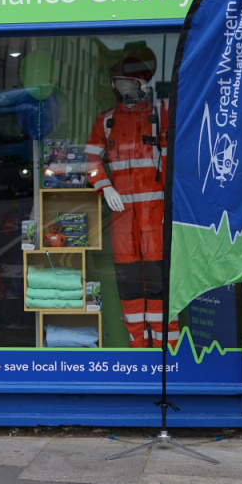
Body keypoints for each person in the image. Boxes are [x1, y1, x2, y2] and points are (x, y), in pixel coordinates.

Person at [84, 47, 177, 348]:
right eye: (115, 81)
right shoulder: (106, 120)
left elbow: (179, 159)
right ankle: (139, 349)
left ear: (137, 83)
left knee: (160, 285)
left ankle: (167, 352)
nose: (115, 86)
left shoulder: (161, 115)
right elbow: (90, 161)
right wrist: (104, 186)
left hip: (157, 215)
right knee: (129, 285)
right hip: (123, 218)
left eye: (120, 80)